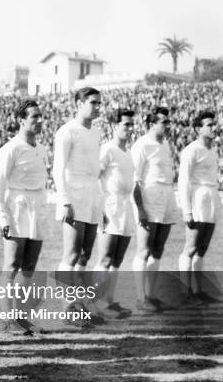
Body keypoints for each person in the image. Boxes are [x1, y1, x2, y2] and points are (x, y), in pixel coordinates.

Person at [0, 100, 49, 333]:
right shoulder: (10, 148)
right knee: (12, 265)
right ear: (21, 120)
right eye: (34, 117)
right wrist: (4, 218)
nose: (38, 121)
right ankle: (8, 319)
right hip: (16, 208)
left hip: (36, 208)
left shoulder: (41, 148)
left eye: (40, 117)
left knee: (29, 266)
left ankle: (21, 315)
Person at [52, 87, 103, 321]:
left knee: (86, 254)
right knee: (71, 255)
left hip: (92, 194)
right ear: (78, 104)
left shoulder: (96, 132)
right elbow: (58, 169)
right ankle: (67, 307)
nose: (97, 107)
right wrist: (64, 201)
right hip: (74, 193)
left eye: (99, 103)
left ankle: (80, 303)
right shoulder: (67, 131)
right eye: (92, 102)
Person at [131, 107, 179, 311]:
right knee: (144, 250)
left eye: (168, 122)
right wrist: (140, 208)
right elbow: (134, 180)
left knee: (158, 249)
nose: (168, 125)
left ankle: (150, 295)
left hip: (167, 196)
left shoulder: (166, 144)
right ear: (152, 124)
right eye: (164, 122)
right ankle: (141, 298)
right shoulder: (141, 145)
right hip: (149, 197)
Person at [93, 109, 135, 319]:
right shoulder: (107, 150)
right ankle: (95, 303)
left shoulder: (127, 152)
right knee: (105, 258)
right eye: (125, 125)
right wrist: (99, 207)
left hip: (126, 207)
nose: (129, 129)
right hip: (109, 204)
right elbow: (96, 177)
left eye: (130, 125)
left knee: (117, 259)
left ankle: (108, 301)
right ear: (114, 126)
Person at [177, 111, 221, 303]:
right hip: (196, 201)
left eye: (214, 124)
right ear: (198, 129)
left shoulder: (213, 149)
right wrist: (186, 210)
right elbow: (183, 181)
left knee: (202, 248)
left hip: (210, 200)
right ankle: (185, 292)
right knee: (190, 247)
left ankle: (198, 290)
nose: (214, 128)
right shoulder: (190, 150)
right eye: (209, 125)